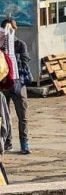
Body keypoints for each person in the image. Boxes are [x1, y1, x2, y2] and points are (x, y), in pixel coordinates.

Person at [0, 19, 31, 154]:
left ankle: (24, 142)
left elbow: (25, 62)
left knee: (22, 115)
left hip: (18, 83)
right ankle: (7, 141)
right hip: (4, 85)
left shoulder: (20, 44)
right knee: (4, 115)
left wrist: (12, 58)